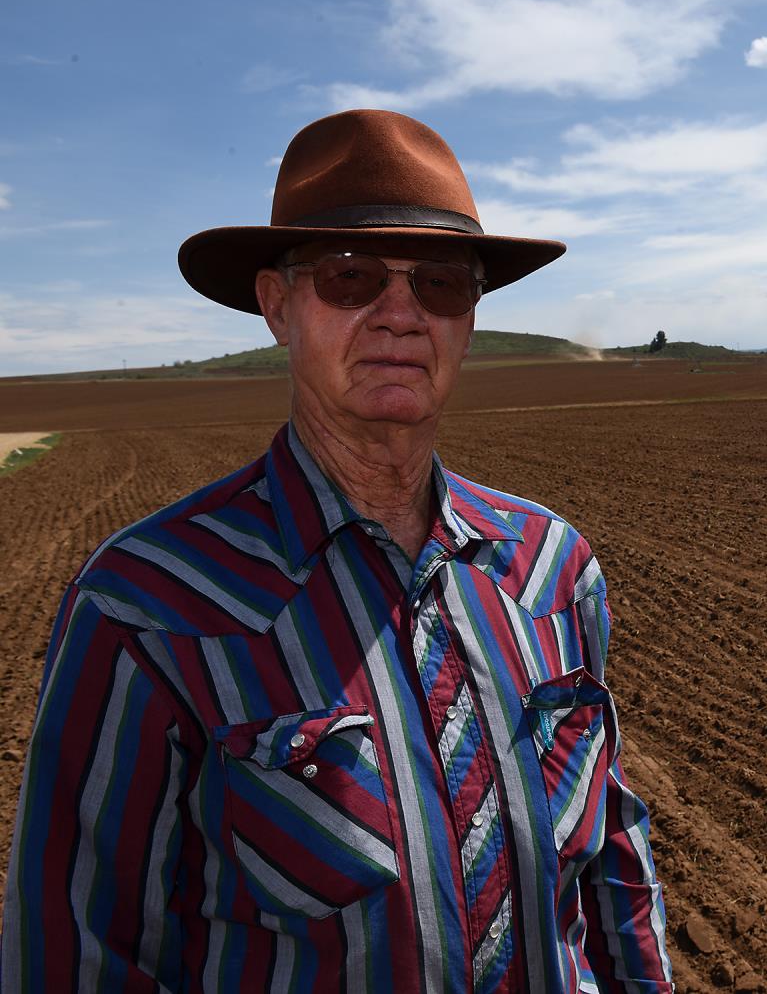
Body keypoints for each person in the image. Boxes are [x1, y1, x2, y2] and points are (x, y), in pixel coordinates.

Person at [1, 110, 674, 993]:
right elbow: (75, 950)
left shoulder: (553, 569)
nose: (400, 315)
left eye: (439, 284)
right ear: (278, 307)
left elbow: (614, 862)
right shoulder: (148, 601)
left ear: (469, 319)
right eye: (351, 278)